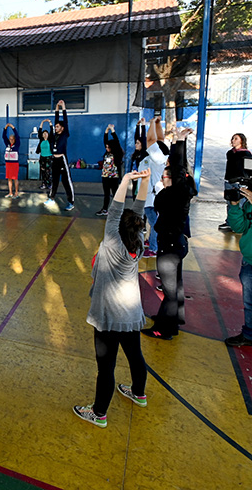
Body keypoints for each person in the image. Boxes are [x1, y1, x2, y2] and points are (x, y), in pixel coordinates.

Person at [73, 169, 151, 428]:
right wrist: (145, 181)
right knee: (135, 355)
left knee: (106, 368)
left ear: (116, 228)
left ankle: (99, 412)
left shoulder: (112, 242)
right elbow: (137, 210)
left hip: (108, 316)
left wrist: (127, 180)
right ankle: (139, 393)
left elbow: (116, 210)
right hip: (130, 314)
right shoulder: (137, 239)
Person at [143, 127, 198, 340]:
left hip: (170, 245)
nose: (163, 175)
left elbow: (177, 167)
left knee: (169, 289)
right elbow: (179, 166)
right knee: (176, 284)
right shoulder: (183, 191)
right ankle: (175, 319)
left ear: (170, 178)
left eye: (166, 174)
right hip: (178, 243)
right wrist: (179, 141)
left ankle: (164, 329)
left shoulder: (170, 194)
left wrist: (179, 142)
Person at [224, 185, 252, 347]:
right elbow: (239, 227)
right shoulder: (249, 205)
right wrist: (234, 206)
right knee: (249, 303)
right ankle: (249, 334)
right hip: (249, 260)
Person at [138, 117, 169, 258]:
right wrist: (157, 124)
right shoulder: (160, 156)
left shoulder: (158, 159)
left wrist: (151, 123)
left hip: (152, 198)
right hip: (151, 196)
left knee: (155, 223)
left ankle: (154, 248)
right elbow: (159, 138)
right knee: (153, 223)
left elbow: (151, 140)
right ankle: (151, 242)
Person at [45, 100, 75, 211]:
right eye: (56, 126)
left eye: (58, 126)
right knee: (55, 180)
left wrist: (63, 107)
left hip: (62, 159)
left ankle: (71, 202)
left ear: (62, 128)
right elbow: (56, 119)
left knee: (66, 181)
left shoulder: (65, 134)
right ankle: (51, 198)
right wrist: (56, 108)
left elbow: (65, 121)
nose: (56, 127)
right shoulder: (53, 136)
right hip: (54, 160)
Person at [219, 133, 251, 232]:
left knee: (240, 203)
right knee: (229, 202)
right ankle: (229, 222)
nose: (233, 140)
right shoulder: (230, 153)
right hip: (229, 180)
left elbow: (250, 169)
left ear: (241, 141)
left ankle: (240, 223)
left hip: (239, 182)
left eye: (236, 138)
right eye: (233, 138)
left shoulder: (246, 154)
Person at [96, 124, 125, 216]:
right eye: (106, 147)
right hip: (105, 176)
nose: (107, 148)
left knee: (115, 194)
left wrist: (112, 130)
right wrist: (106, 130)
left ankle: (118, 210)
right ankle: (105, 209)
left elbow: (117, 141)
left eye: (108, 147)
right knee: (106, 194)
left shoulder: (117, 153)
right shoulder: (107, 153)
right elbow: (105, 140)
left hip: (114, 177)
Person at [129, 119, 148, 199]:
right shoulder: (135, 154)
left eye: (138, 143)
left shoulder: (144, 153)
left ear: (142, 145)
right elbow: (136, 138)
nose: (135, 145)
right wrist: (137, 126)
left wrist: (143, 125)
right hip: (135, 178)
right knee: (134, 196)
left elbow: (143, 138)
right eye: (136, 143)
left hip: (141, 179)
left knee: (140, 197)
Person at [3, 123, 21, 198]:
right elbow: (4, 137)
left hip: (14, 164)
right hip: (8, 164)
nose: (11, 140)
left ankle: (16, 193)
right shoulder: (7, 144)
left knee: (15, 179)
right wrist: (5, 128)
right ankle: (10, 193)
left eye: (12, 139)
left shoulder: (17, 145)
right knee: (9, 179)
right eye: (10, 139)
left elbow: (17, 135)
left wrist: (13, 127)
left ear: (14, 139)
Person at [36, 119, 53, 191]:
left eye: (46, 133)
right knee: (43, 171)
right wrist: (42, 122)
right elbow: (39, 131)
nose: (45, 134)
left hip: (49, 157)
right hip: (42, 157)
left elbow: (52, 131)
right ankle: (44, 184)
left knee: (48, 172)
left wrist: (50, 123)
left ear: (48, 134)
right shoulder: (41, 140)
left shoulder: (50, 140)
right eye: (44, 133)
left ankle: (49, 184)